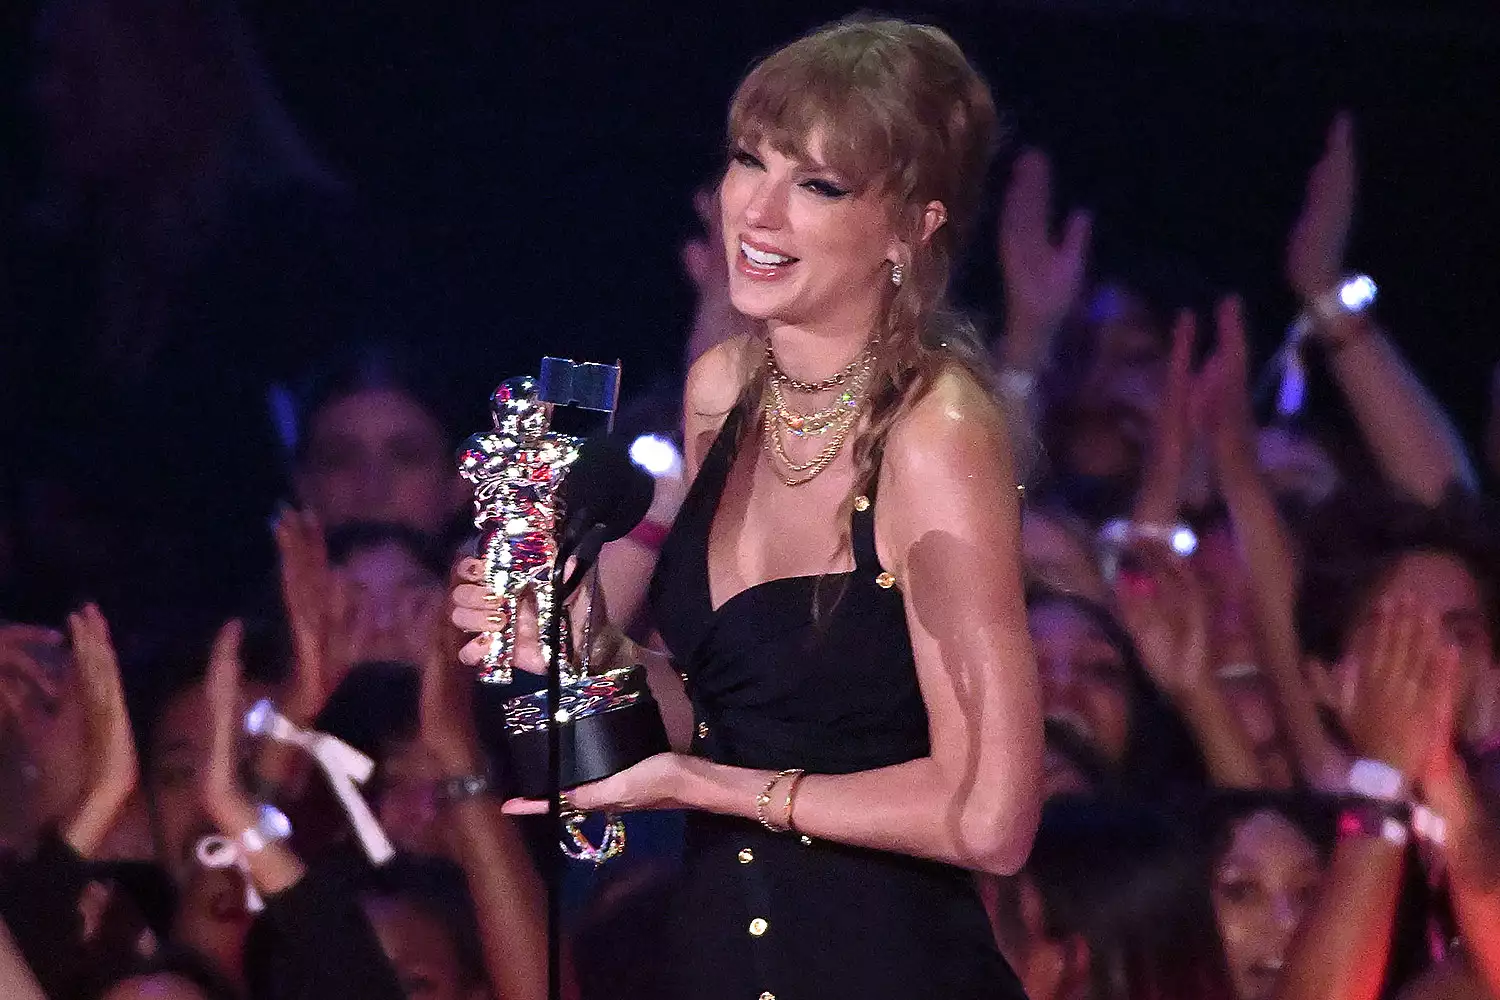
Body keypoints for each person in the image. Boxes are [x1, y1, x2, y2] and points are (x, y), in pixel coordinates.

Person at [451, 16, 1042, 999]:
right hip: (718, 955)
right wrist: (577, 643)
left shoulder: (936, 429)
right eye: (747, 162)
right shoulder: (723, 388)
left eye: (816, 184)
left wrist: (702, 788)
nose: (757, 213)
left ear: (912, 226)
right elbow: (735, 709)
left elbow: (992, 817)